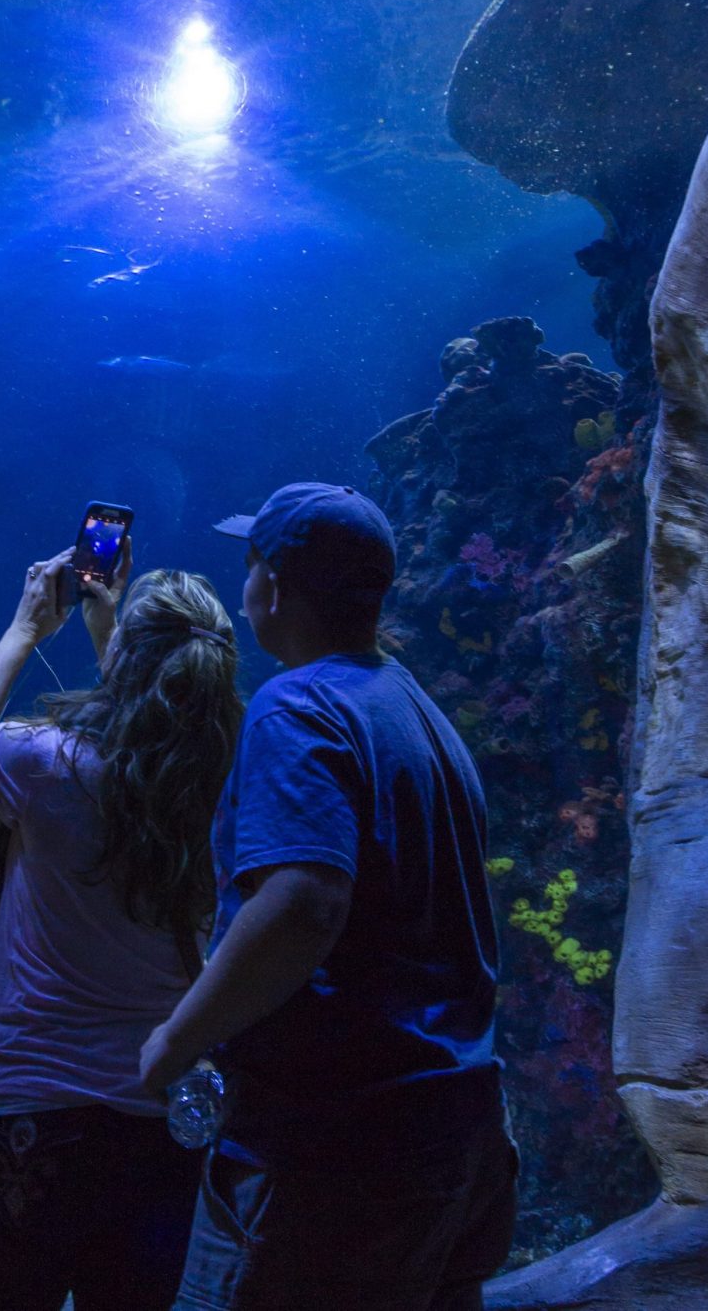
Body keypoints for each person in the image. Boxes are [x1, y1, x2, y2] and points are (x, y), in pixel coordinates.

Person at [140, 482, 517, 1311]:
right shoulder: (416, 711)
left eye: (249, 570)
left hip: (335, 1145)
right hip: (460, 1126)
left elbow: (306, 902)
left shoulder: (299, 705)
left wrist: (176, 1038)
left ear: (271, 584)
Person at [0, 543, 243, 1311]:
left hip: (25, 1115)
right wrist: (116, 629)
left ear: (132, 660)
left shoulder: (48, 765)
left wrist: (27, 628)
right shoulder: (230, 784)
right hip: (158, 1124)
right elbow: (151, 735)